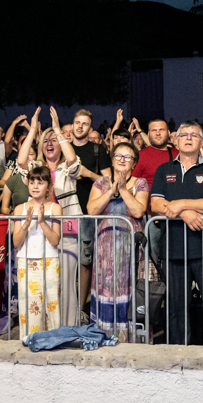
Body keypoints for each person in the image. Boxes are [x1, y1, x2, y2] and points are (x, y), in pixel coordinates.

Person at [150, 121, 203, 345]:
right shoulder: (164, 170)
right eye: (184, 134)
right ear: (175, 139)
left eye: (194, 135)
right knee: (175, 306)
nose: (188, 138)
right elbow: (156, 204)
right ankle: (178, 352)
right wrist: (184, 213)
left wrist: (180, 204)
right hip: (174, 248)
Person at [18, 107, 83, 325]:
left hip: (67, 232)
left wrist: (56, 129)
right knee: (44, 287)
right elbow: (20, 162)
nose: (50, 142)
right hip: (39, 235)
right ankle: (46, 329)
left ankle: (69, 327)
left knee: (65, 283)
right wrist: (34, 130)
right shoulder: (36, 168)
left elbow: (73, 159)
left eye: (54, 140)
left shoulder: (67, 167)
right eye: (46, 140)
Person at [87, 142, 149, 341]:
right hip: (105, 250)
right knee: (106, 291)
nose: (122, 159)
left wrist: (122, 189)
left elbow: (139, 210)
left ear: (134, 163)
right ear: (112, 160)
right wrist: (111, 189)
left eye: (127, 157)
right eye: (118, 156)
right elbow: (92, 210)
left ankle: (129, 338)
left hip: (130, 250)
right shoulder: (100, 183)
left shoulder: (140, 184)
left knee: (130, 291)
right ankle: (104, 335)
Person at [12, 165, 63, 337]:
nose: (35, 186)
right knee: (29, 305)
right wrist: (26, 224)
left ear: (48, 185)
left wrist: (42, 221)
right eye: (32, 182)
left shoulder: (55, 208)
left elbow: (55, 240)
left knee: (52, 303)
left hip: (49, 260)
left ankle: (54, 340)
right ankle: (29, 340)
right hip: (26, 261)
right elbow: (17, 242)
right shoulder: (20, 208)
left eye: (40, 182)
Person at [71, 109, 111, 318]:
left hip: (88, 213)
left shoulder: (98, 150)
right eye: (77, 122)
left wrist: (87, 174)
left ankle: (80, 308)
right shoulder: (63, 149)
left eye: (84, 123)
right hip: (64, 212)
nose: (80, 126)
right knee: (65, 260)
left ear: (90, 127)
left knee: (85, 262)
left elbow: (109, 182)